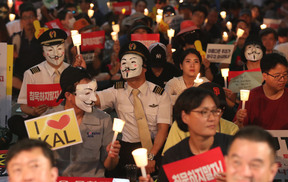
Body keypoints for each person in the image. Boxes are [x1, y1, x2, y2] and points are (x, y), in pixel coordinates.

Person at [95, 41, 171, 177]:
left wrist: (152, 156)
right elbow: (93, 100)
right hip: (127, 149)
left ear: (145, 67)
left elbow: (163, 130)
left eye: (132, 62)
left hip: (155, 148)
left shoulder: (159, 94)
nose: (127, 67)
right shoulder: (117, 91)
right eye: (124, 63)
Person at [44, 66, 120, 177]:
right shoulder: (48, 119)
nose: (94, 98)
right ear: (68, 95)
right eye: (87, 93)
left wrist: (112, 156)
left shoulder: (104, 120)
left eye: (94, 92)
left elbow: (110, 166)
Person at [8, 28, 84, 139]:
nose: (56, 54)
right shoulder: (32, 74)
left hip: (67, 120)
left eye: (59, 49)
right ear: (43, 53)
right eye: (50, 50)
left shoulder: (72, 70)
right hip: (40, 120)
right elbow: (23, 105)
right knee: (15, 121)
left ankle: (37, 138)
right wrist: (33, 111)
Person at [157, 87, 232, 181]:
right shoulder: (173, 157)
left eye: (214, 111)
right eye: (204, 112)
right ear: (185, 117)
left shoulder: (233, 146)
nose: (212, 118)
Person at [162, 82, 239, 154]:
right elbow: (170, 163)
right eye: (205, 111)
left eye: (219, 109)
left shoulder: (232, 129)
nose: (213, 117)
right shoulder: (180, 126)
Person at [234, 53, 288, 129]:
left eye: (285, 75)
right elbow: (237, 129)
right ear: (264, 76)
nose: (282, 79)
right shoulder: (251, 97)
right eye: (277, 76)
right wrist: (239, 122)